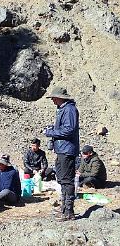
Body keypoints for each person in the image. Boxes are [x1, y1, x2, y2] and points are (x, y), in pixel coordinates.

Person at [44, 86, 79, 221]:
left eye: (53, 97)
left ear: (59, 97)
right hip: (62, 149)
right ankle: (64, 209)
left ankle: (69, 211)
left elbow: (69, 130)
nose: (52, 100)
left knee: (66, 180)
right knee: (62, 179)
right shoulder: (63, 109)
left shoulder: (69, 109)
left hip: (66, 150)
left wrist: (51, 132)